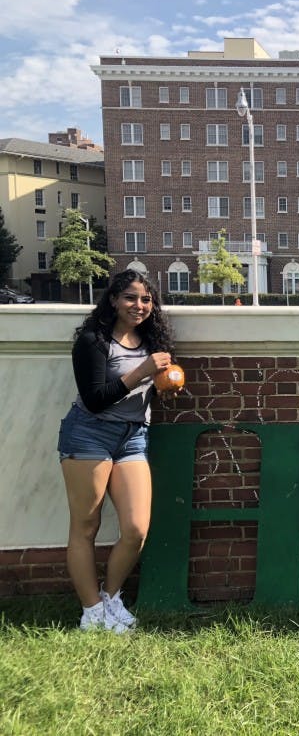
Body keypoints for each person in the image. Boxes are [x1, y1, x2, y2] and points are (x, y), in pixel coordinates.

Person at [57, 270, 179, 632]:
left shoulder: (151, 339)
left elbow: (145, 391)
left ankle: (111, 598)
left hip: (132, 436)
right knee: (85, 526)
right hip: (89, 435)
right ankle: (91, 611)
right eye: (129, 297)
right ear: (113, 300)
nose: (138, 306)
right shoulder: (94, 341)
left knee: (136, 528)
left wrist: (163, 384)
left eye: (145, 299)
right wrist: (143, 371)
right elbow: (95, 400)